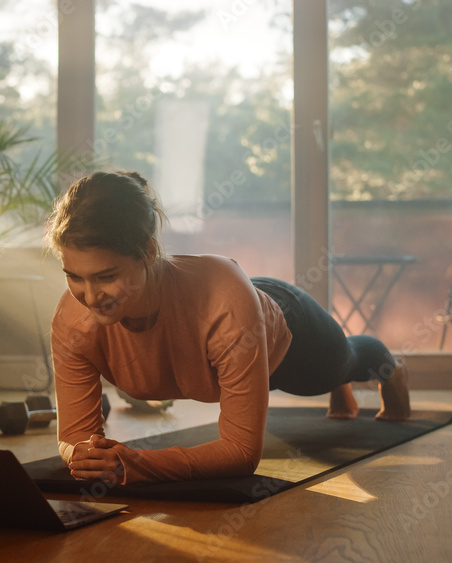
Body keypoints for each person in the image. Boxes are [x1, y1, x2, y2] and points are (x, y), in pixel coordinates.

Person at [45, 171, 411, 486]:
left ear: (148, 252)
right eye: (74, 277)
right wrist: (84, 456)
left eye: (106, 277)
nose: (90, 297)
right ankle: (341, 385)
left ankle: (390, 369)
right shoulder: (73, 321)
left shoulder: (222, 304)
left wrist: (137, 464)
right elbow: (74, 438)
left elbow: (241, 453)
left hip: (286, 328)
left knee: (342, 363)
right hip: (235, 307)